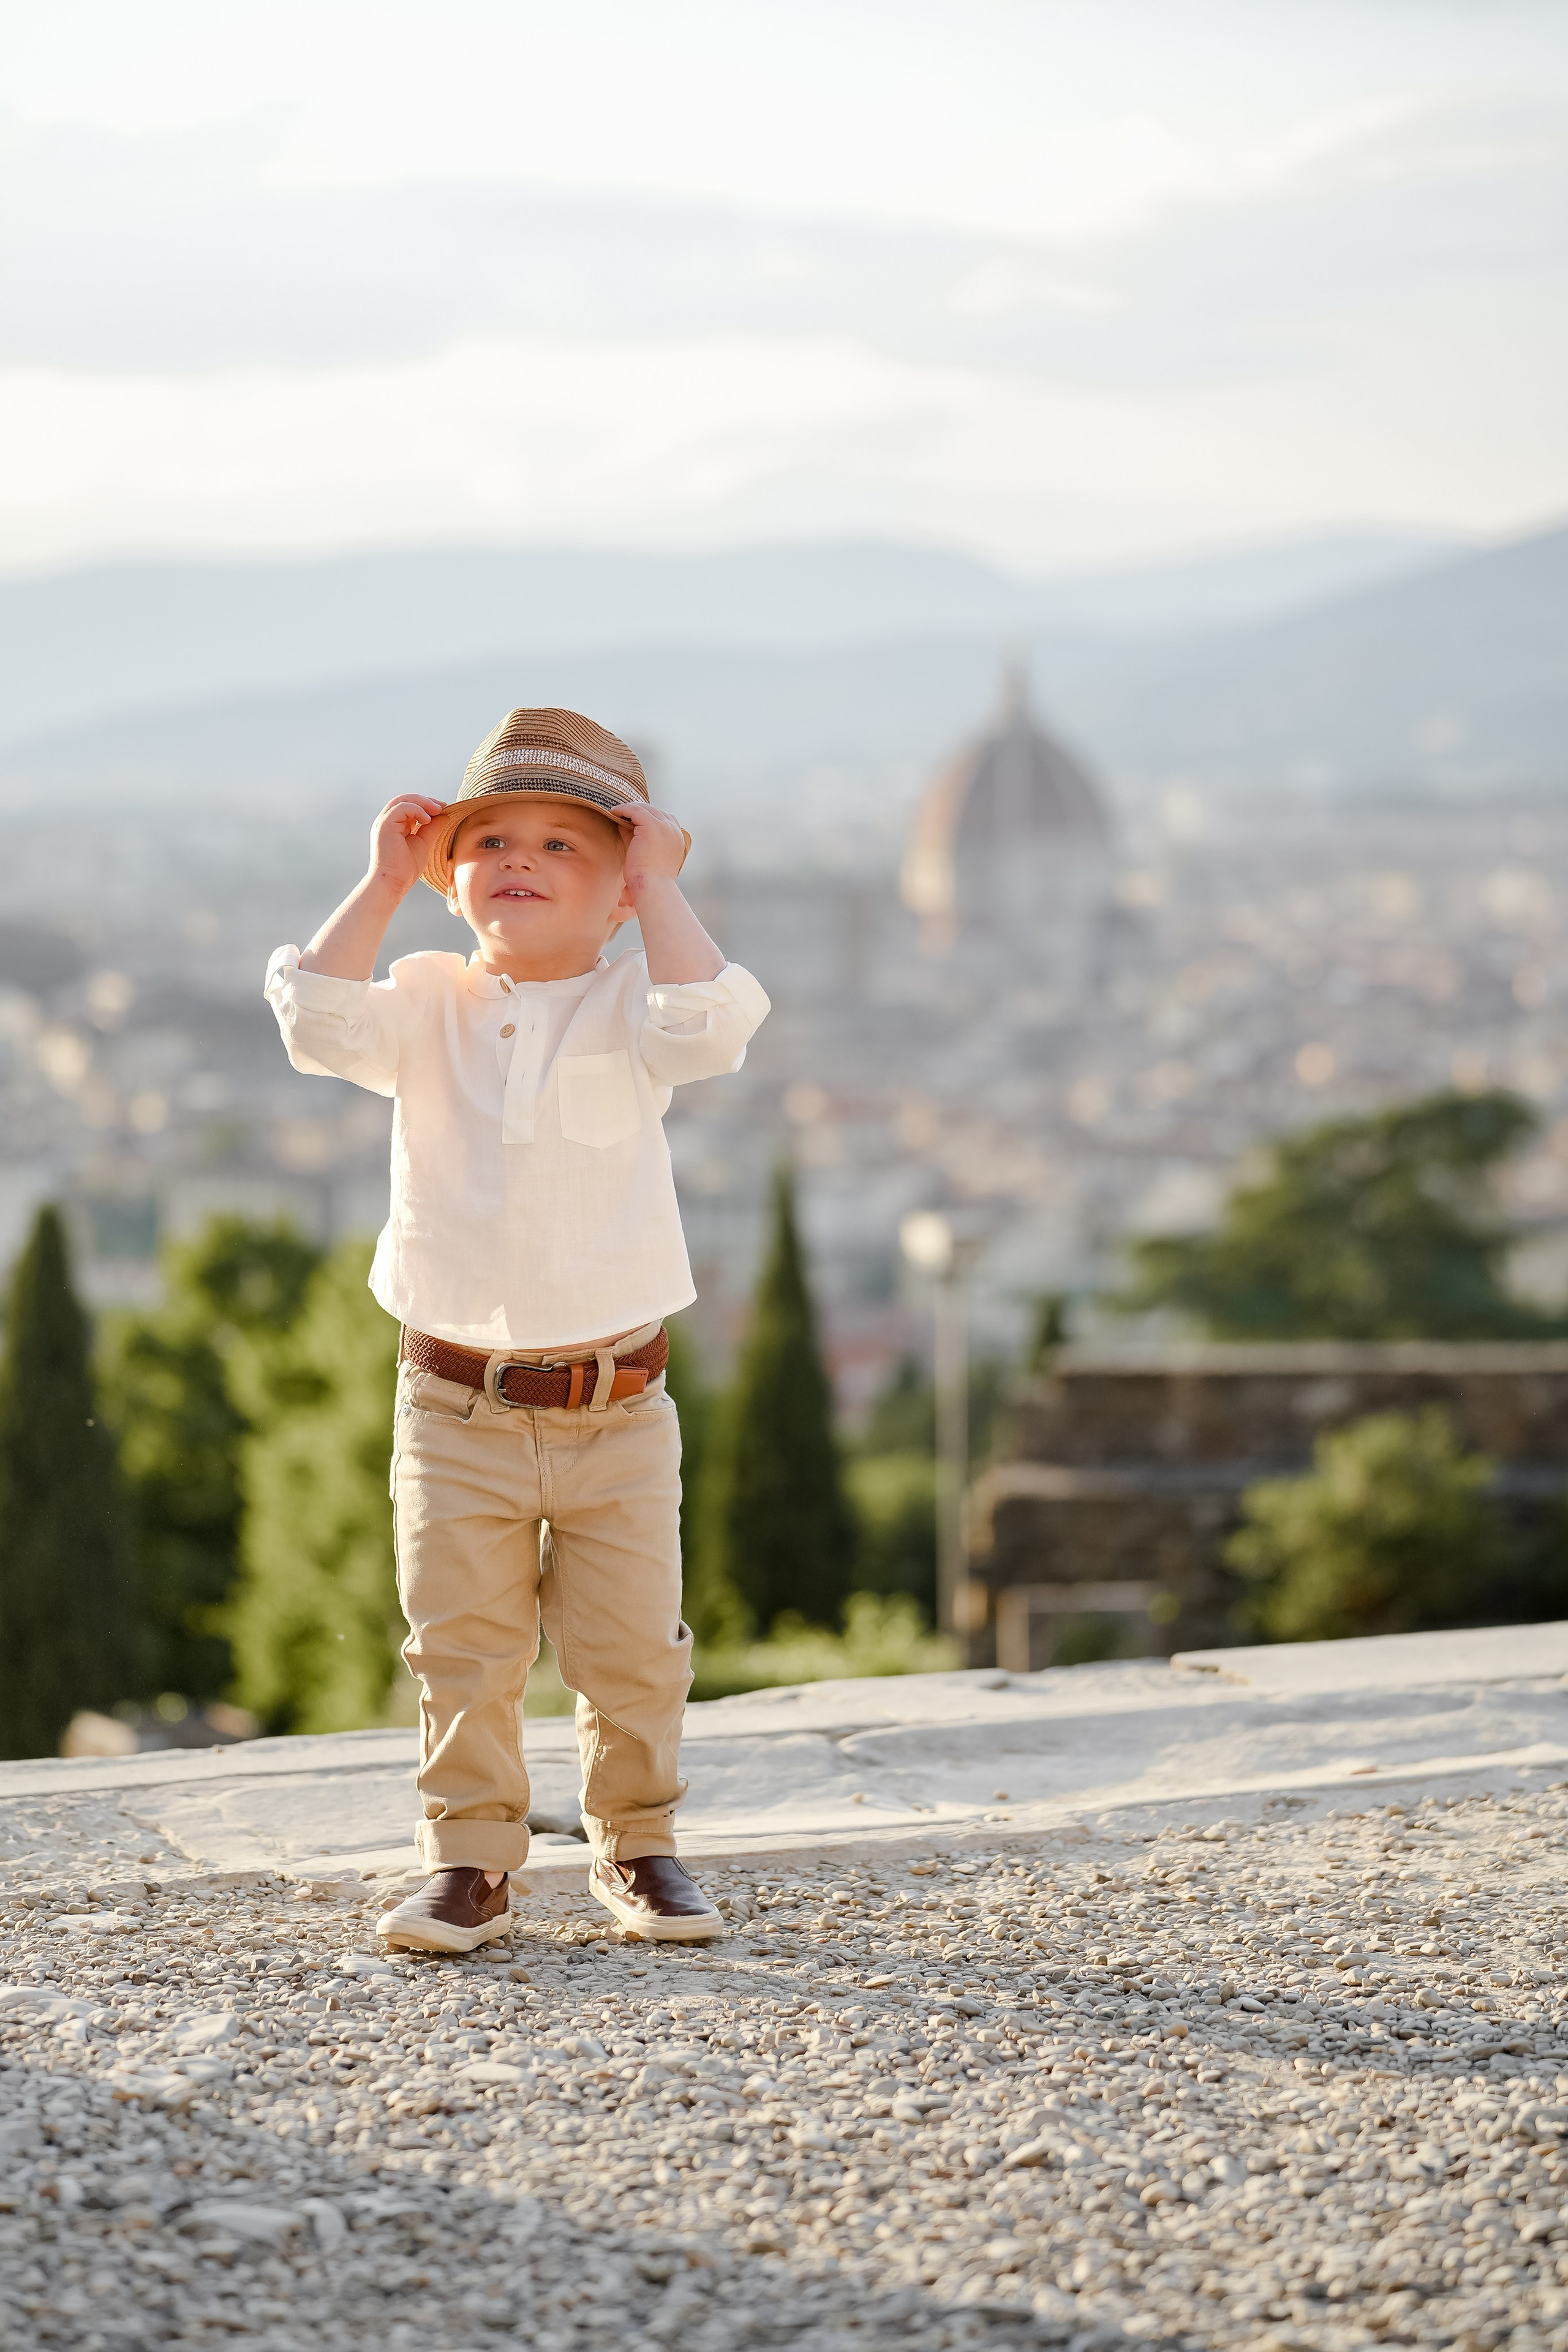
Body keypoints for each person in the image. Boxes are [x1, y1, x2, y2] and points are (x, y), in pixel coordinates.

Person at [263, 707, 769, 1954]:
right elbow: (314, 1020)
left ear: (616, 897)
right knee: (461, 1650)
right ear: (454, 881)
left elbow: (715, 1026)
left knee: (633, 1652)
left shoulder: (637, 1009)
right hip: (452, 1406)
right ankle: (468, 1863)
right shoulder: (421, 1004)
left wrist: (658, 883)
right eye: (490, 841)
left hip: (616, 1407)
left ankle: (639, 1847)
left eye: (564, 844)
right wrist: (384, 877)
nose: (521, 860)